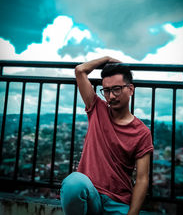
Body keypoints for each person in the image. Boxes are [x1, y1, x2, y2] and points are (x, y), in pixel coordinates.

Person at [60, 56, 154, 215]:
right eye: (107, 91)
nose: (111, 96)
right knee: (73, 183)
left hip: (117, 203)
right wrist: (107, 59)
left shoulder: (142, 132)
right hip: (90, 195)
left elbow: (142, 178)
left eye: (117, 89)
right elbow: (80, 70)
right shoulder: (97, 108)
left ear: (131, 89)